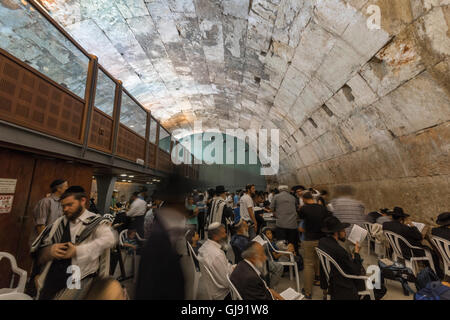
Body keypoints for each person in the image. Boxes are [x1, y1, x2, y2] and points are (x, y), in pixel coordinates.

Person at [30, 186, 116, 300]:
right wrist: (50, 250)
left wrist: (77, 250)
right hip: (53, 277)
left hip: (79, 278)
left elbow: (109, 239)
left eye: (70, 205)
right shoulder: (59, 222)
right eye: (63, 206)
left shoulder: (96, 222)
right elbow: (39, 246)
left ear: (83, 201)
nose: (65, 209)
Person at [319, 216, 386, 300]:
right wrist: (357, 253)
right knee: (381, 288)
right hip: (346, 282)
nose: (345, 233)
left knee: (377, 276)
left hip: (334, 280)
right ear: (336, 232)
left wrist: (351, 257)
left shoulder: (322, 242)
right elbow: (356, 271)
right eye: (343, 230)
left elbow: (343, 262)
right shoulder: (339, 250)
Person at [383, 207, 443, 277]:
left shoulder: (385, 225)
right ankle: (437, 274)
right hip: (409, 251)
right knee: (432, 254)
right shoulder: (405, 228)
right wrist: (411, 224)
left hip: (397, 250)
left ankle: (428, 271)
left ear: (392, 216)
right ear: (401, 218)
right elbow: (419, 237)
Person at [298, 191, 332, 299]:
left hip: (309, 239)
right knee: (321, 263)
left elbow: (301, 217)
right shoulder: (322, 208)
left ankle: (307, 292)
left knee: (308, 264)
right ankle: (325, 290)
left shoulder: (304, 209)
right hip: (321, 239)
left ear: (304, 199)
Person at [198, 223, 235, 300]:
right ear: (215, 236)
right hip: (223, 294)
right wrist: (233, 269)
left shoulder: (205, 246)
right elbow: (226, 282)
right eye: (224, 233)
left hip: (214, 288)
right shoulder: (217, 255)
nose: (226, 235)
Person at [270, 185, 299, 254]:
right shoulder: (293, 197)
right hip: (293, 225)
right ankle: (294, 258)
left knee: (282, 245)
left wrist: (276, 213)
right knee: (292, 244)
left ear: (279, 190)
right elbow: (296, 208)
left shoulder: (276, 197)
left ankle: (284, 259)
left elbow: (271, 208)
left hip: (281, 225)